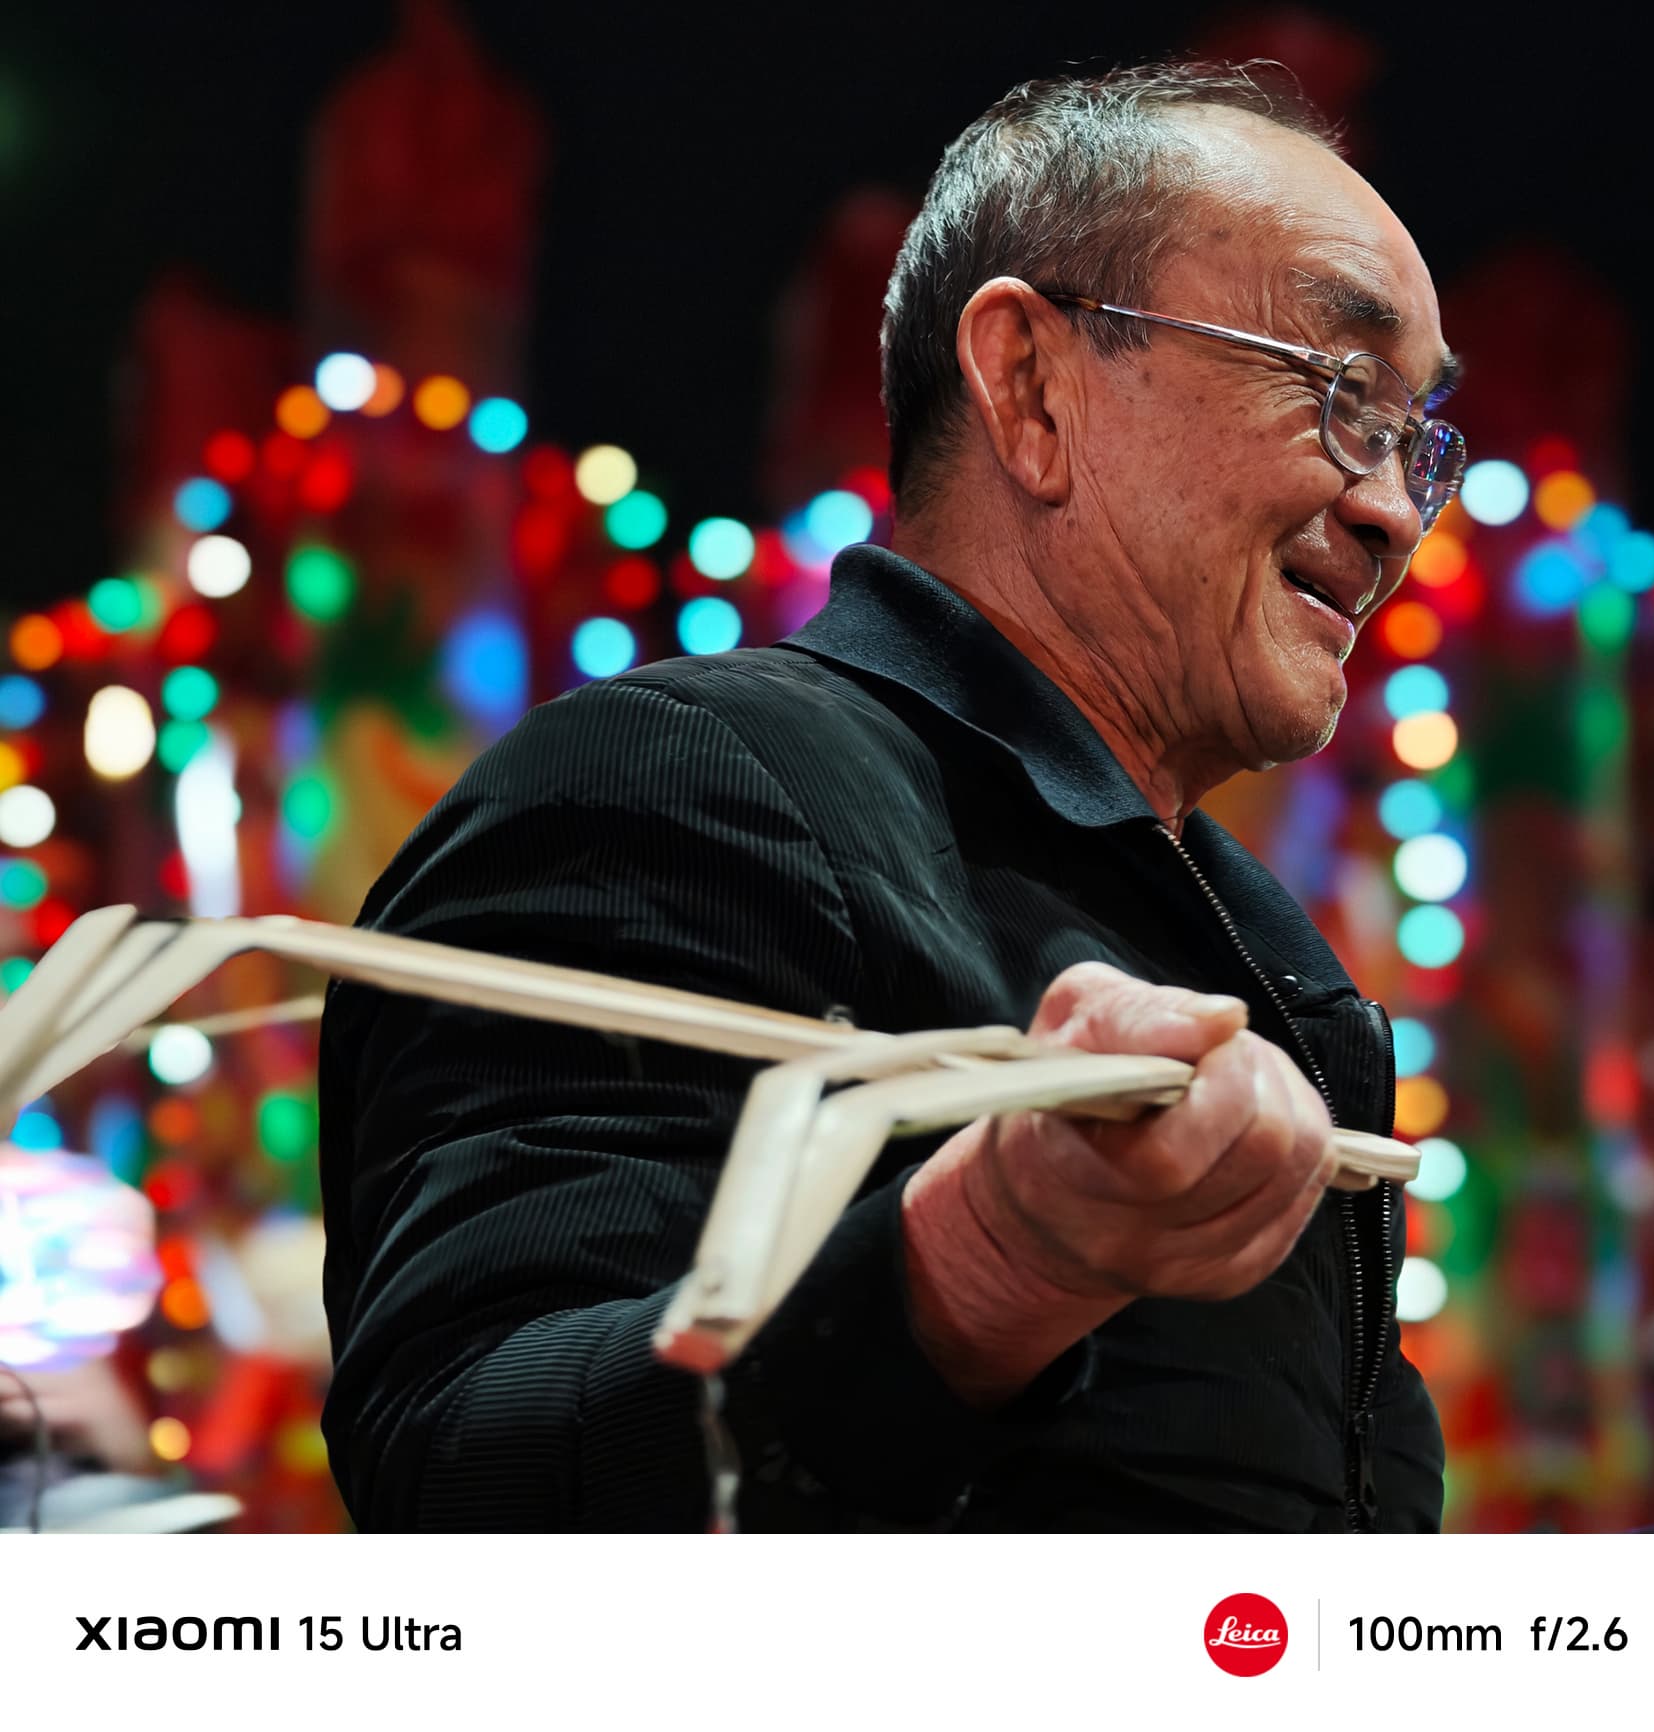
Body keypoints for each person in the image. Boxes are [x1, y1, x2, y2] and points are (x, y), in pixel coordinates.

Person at [318, 60, 1464, 1532]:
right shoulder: (682, 781)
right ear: (1032, 385)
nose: (1393, 510)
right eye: (1340, 392)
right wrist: (993, 1255)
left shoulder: (1273, 958)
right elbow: (462, 1473)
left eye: (1418, 439)